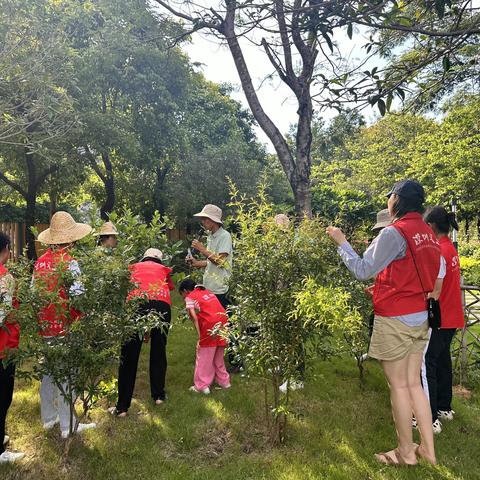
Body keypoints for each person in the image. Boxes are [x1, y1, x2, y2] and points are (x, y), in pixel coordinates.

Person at [326, 180, 440, 466]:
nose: (388, 202)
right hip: (419, 317)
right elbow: (410, 273)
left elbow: (363, 269)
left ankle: (405, 454)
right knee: (414, 384)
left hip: (396, 319)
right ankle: (428, 451)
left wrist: (342, 242)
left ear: (398, 199)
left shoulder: (395, 232)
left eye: (390, 197)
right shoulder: (427, 232)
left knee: (400, 387)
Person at [34, 211, 96, 439]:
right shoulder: (70, 263)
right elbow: (78, 298)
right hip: (67, 327)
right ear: (70, 239)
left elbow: (35, 296)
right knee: (67, 376)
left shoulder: (39, 264)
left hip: (46, 327)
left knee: (49, 373)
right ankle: (67, 426)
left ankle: (49, 419)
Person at [109, 248, 174, 416]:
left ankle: (122, 407)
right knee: (159, 350)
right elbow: (168, 289)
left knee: (129, 354)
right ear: (159, 260)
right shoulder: (164, 269)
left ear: (143, 258)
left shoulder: (133, 267)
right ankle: (159, 396)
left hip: (137, 303)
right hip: (162, 306)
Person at [422, 206, 464, 433]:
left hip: (441, 317)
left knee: (428, 363)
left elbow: (434, 290)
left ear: (430, 227)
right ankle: (444, 408)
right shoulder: (450, 248)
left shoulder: (438, 250)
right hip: (453, 316)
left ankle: (429, 417)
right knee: (443, 361)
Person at [179, 279, 230, 395]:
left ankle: (202, 386)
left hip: (210, 325)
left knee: (204, 357)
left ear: (185, 291)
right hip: (223, 322)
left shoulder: (190, 297)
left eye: (182, 295)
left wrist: (200, 336)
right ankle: (224, 382)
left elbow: (193, 316)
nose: (183, 298)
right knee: (218, 355)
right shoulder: (208, 292)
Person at [0, 232, 24, 463]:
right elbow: (2, 313)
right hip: (3, 348)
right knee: (2, 397)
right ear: (6, 249)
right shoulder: (5, 278)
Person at [187, 204, 233, 310]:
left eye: (204, 218)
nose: (202, 221)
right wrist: (196, 263)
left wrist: (202, 249)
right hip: (209, 286)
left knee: (224, 323)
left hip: (220, 288)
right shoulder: (210, 237)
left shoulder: (224, 236)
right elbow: (211, 260)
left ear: (213, 220)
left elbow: (221, 261)